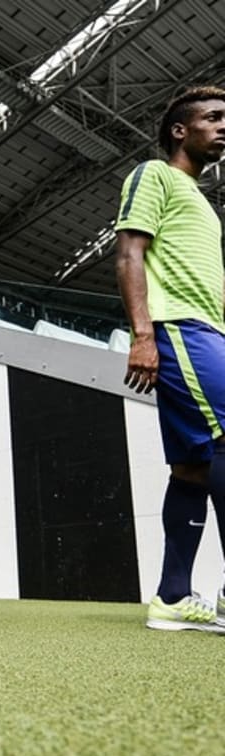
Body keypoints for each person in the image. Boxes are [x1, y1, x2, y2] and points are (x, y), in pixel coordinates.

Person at [115, 85, 225, 633]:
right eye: (213, 117)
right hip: (182, 330)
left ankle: (172, 598)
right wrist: (142, 335)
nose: (223, 125)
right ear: (181, 130)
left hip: (209, 332)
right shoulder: (153, 176)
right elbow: (129, 252)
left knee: (192, 468)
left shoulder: (204, 202)